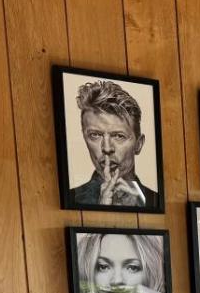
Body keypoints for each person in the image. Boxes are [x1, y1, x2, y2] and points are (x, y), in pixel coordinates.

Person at [68, 80, 159, 210]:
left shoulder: (156, 201)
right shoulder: (71, 199)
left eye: (119, 136)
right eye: (95, 135)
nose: (107, 148)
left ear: (139, 144)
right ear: (84, 138)